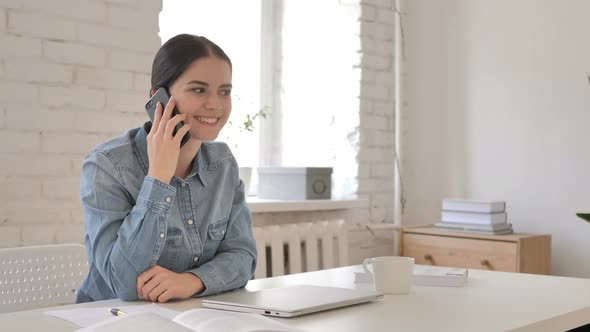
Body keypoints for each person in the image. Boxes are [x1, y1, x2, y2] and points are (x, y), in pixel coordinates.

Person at [76, 34, 257, 303]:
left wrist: (192, 281)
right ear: (158, 97)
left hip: (190, 316)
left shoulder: (222, 164)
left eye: (224, 91)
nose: (215, 105)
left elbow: (244, 258)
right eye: (198, 89)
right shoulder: (107, 166)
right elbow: (123, 285)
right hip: (111, 320)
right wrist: (158, 178)